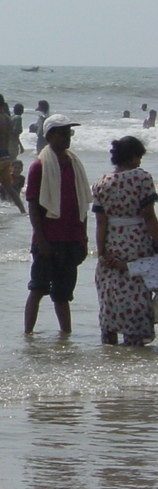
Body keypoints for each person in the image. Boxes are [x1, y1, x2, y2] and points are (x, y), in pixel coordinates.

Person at [23, 115, 91, 335]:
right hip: (49, 239)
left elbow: (83, 203)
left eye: (68, 132)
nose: (66, 137)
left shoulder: (75, 164)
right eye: (62, 132)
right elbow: (33, 206)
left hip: (72, 238)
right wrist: (41, 240)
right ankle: (28, 335)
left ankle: (66, 336)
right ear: (50, 135)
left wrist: (84, 238)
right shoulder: (39, 166)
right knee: (38, 289)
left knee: (63, 294)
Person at [92, 136, 158, 345]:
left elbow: (101, 222)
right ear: (132, 157)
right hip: (136, 241)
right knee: (136, 292)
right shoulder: (142, 178)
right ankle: (134, 344)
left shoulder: (101, 183)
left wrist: (101, 253)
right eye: (138, 157)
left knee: (112, 294)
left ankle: (110, 346)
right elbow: (148, 216)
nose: (139, 162)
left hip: (112, 242)